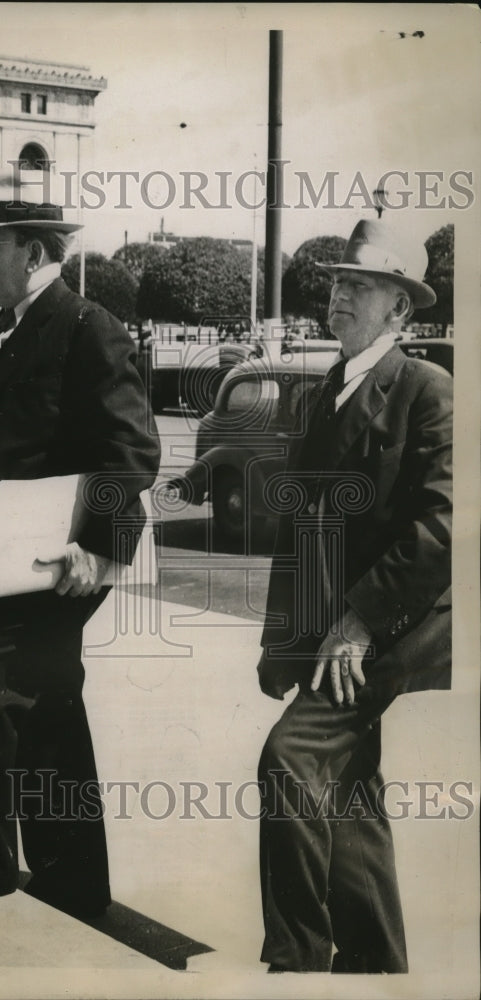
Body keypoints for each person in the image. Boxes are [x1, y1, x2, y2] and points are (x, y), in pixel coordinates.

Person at [0, 173, 161, 916]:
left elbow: (130, 452)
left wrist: (92, 551)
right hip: (6, 552)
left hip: (61, 556)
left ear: (30, 251)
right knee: (50, 708)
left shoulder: (87, 326)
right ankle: (71, 881)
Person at [255, 219, 452, 973]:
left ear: (399, 310)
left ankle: (296, 962)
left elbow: (443, 527)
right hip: (332, 633)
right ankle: (373, 964)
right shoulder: (329, 387)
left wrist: (360, 624)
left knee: (288, 761)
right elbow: (301, 533)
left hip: (389, 631)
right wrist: (283, 642)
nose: (337, 295)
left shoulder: (426, 391)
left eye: (359, 286)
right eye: (337, 282)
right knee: (347, 790)